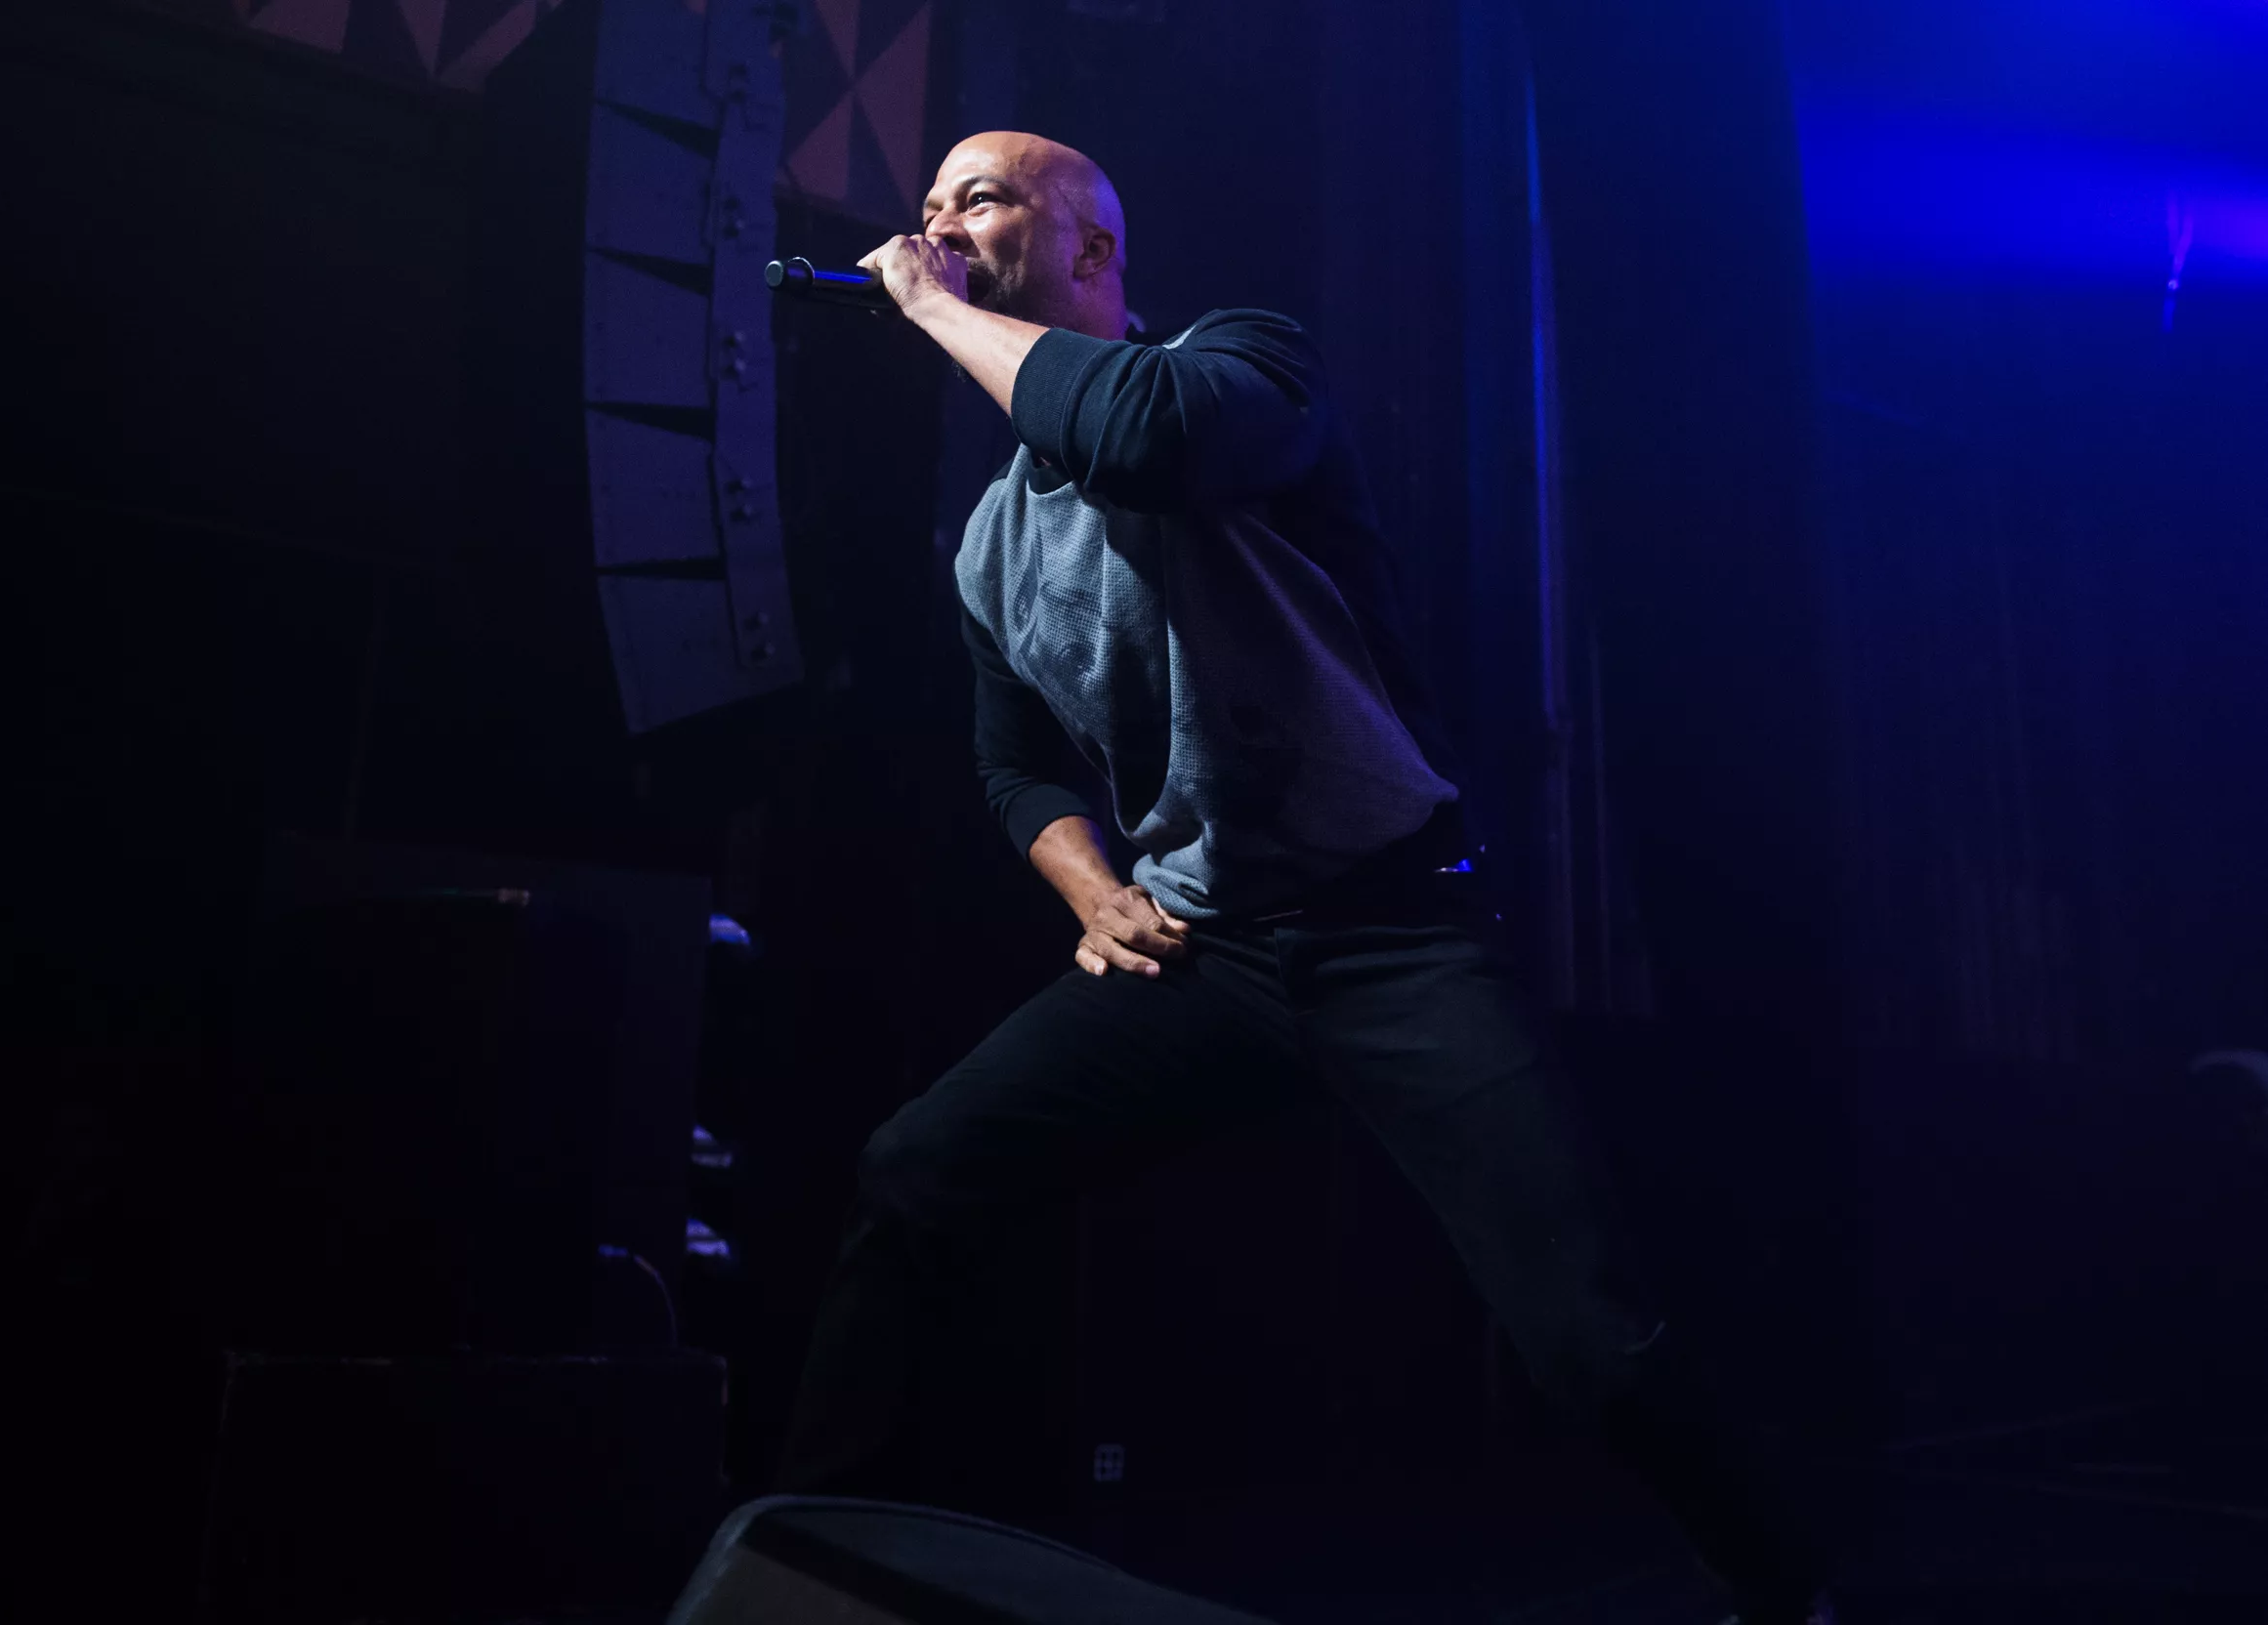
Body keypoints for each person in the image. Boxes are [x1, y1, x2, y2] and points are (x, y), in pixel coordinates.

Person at [776, 130, 1830, 1625]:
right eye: (928, 205)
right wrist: (1090, 890)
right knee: (914, 1170)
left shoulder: (1237, 366)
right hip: (1214, 956)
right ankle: (818, 1562)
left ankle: (1786, 1588)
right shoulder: (990, 543)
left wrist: (932, 304)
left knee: (1586, 1337)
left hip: (1395, 929)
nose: (936, 225)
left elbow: (1141, 440)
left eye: (982, 200)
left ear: (1091, 249)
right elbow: (1016, 769)